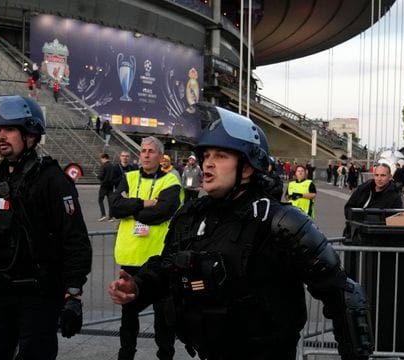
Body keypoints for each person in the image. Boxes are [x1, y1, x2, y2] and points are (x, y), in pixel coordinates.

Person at [107, 106, 373, 360]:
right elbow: (166, 267)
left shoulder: (282, 222)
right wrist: (138, 286)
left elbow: (343, 294)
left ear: (247, 167)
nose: (208, 164)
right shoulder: (191, 216)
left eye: (220, 156)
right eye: (206, 156)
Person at [0, 95, 92, 359]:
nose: (1, 135)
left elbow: (75, 239)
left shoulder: (52, 181)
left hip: (39, 296)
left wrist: (73, 294)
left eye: (10, 129)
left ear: (31, 136)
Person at [109, 136, 183, 360]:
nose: (147, 155)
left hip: (158, 259)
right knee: (128, 314)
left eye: (152, 151)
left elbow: (161, 212)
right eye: (143, 151)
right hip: (131, 257)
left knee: (163, 315)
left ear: (161, 157)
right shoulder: (129, 177)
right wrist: (143, 203)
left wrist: (131, 208)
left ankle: (165, 355)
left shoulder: (171, 182)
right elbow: (114, 206)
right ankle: (126, 354)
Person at [343, 162, 402, 238]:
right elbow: (348, 209)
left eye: (383, 175)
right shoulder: (363, 189)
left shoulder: (395, 197)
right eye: (377, 175)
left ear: (390, 177)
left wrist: (370, 219)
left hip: (378, 239)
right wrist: (361, 220)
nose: (379, 179)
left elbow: (394, 221)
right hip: (355, 235)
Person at [96, 153, 115, 222]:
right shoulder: (112, 166)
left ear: (104, 158)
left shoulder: (103, 166)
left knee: (100, 200)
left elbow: (101, 176)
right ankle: (111, 217)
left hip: (104, 186)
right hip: (111, 186)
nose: (101, 160)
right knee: (110, 201)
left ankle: (103, 215)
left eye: (101, 159)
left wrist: (97, 176)